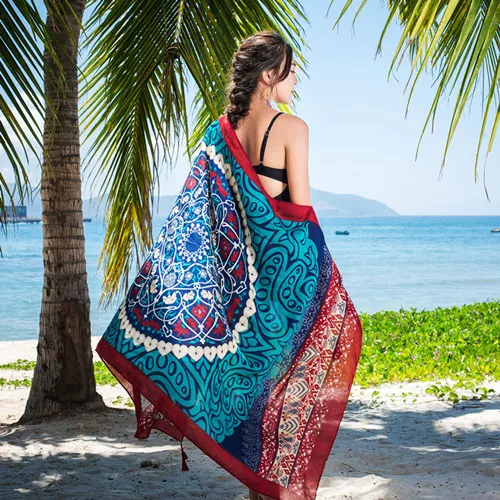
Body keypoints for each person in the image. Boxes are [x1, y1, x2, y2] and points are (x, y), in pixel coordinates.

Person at [96, 29, 363, 500]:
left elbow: (196, 220)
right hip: (282, 281)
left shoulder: (215, 135)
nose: (296, 79)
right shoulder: (292, 128)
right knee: (285, 384)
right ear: (268, 75)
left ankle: (257, 486)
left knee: (247, 386)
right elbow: (300, 214)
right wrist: (325, 278)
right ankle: (267, 486)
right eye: (291, 70)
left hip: (236, 290)